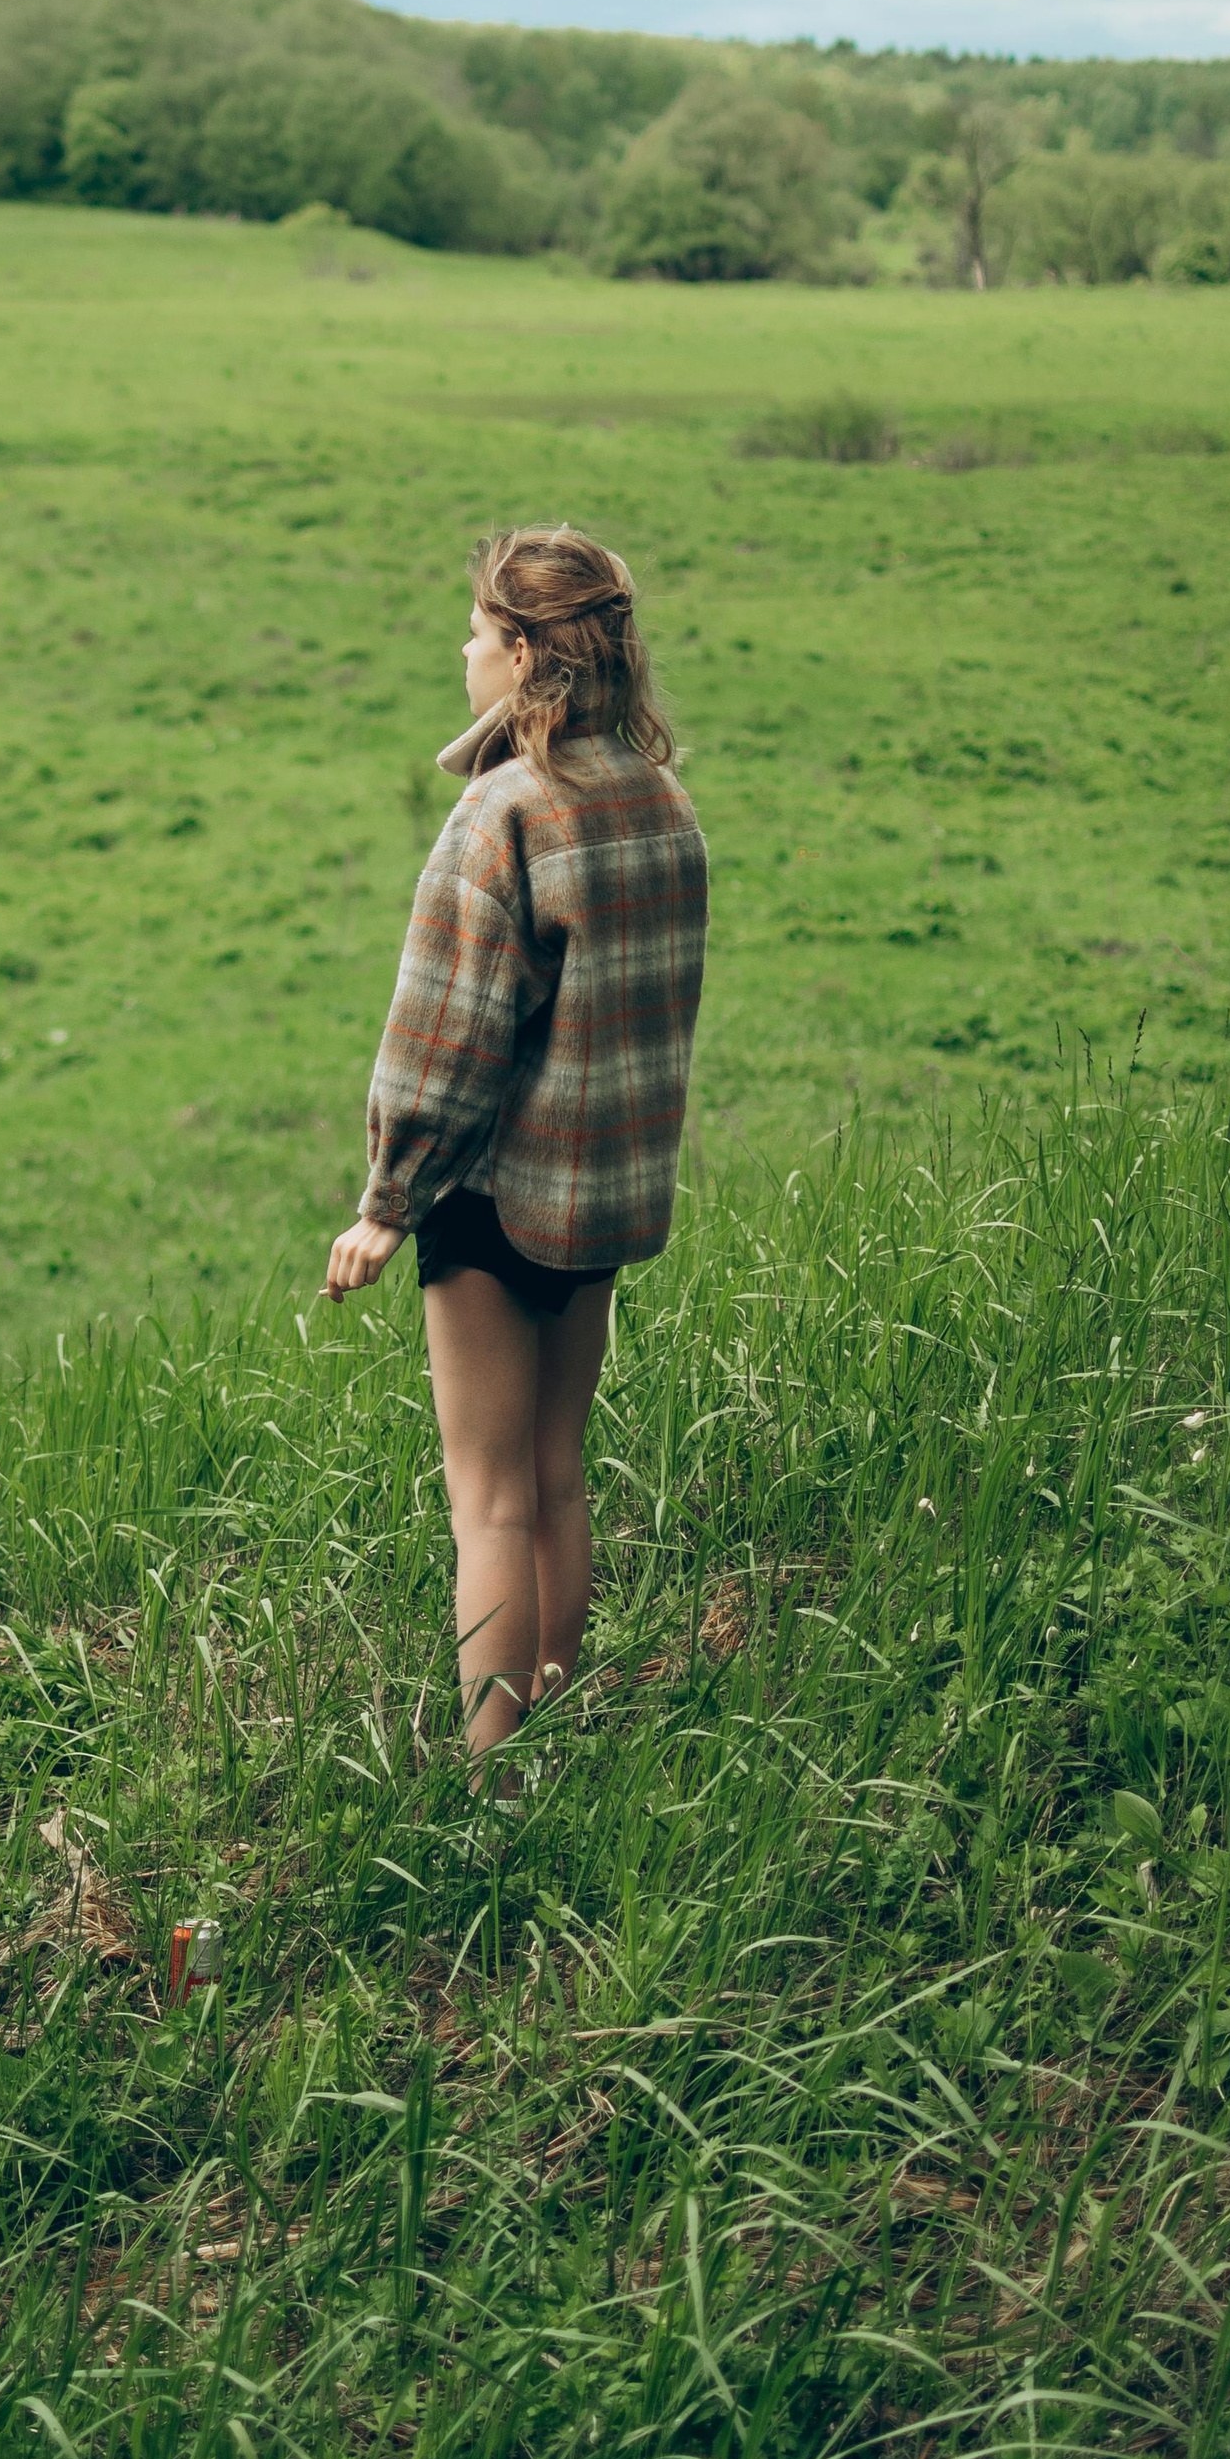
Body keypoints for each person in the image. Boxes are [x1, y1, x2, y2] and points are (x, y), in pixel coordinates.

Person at [324, 527, 708, 1760]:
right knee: (554, 1474)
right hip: (602, 1197)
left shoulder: (504, 813)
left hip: (494, 1198)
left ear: (530, 654)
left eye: (481, 632)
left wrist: (388, 1201)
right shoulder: (659, 799)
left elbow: (443, 1035)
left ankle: (492, 1785)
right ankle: (551, 1723)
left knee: (486, 1497)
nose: (463, 649)